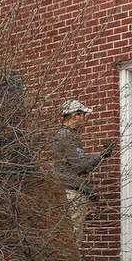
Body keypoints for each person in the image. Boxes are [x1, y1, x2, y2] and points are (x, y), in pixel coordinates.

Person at [52, 99, 111, 245]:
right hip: (72, 193)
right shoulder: (67, 136)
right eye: (83, 114)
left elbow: (76, 161)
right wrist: (102, 155)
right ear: (75, 116)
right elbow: (81, 166)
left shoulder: (64, 135)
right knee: (73, 241)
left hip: (68, 191)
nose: (85, 118)